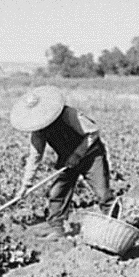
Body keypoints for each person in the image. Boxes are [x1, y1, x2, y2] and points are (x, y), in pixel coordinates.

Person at [10, 85, 116, 240]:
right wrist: (25, 186)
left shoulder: (68, 114)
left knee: (103, 193)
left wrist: (78, 153)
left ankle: (114, 226)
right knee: (57, 193)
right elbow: (34, 158)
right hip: (67, 160)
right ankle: (57, 229)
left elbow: (93, 132)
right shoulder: (38, 131)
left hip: (91, 156)